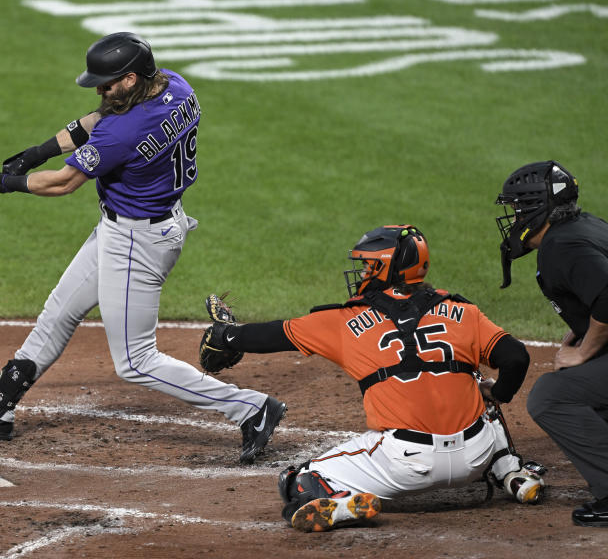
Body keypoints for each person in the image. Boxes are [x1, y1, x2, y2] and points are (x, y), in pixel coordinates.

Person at [0, 32, 285, 464]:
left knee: (136, 362)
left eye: (107, 82)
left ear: (132, 79)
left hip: (139, 242)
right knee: (59, 313)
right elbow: (99, 118)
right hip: (130, 228)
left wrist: (4, 182)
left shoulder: (125, 131)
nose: (99, 90)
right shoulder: (175, 85)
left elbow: (63, 183)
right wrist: (38, 151)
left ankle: (251, 408)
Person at [198, 224, 546, 531]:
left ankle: (342, 503)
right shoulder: (465, 311)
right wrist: (497, 392)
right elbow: (516, 356)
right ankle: (511, 473)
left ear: (384, 268)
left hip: (407, 463)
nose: (362, 271)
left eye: (367, 264)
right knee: (478, 386)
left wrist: (227, 336)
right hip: (475, 456)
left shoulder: (345, 321)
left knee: (299, 480)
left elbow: (278, 335)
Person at [495, 160, 608, 527]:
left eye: (517, 209)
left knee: (552, 396)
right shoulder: (584, 226)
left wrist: (585, 349)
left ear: (536, 208)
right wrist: (582, 329)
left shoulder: (561, 246)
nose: (513, 218)